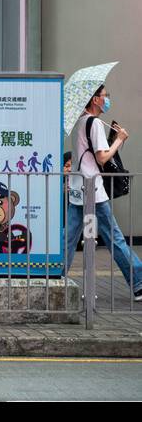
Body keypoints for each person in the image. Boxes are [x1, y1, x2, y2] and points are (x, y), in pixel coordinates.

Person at [65, 85, 141, 300]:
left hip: (79, 189)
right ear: (95, 100)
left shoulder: (80, 122)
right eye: (105, 95)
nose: (107, 99)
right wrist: (119, 139)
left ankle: (55, 276)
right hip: (94, 191)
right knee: (114, 238)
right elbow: (102, 158)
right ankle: (139, 282)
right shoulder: (95, 123)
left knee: (70, 237)